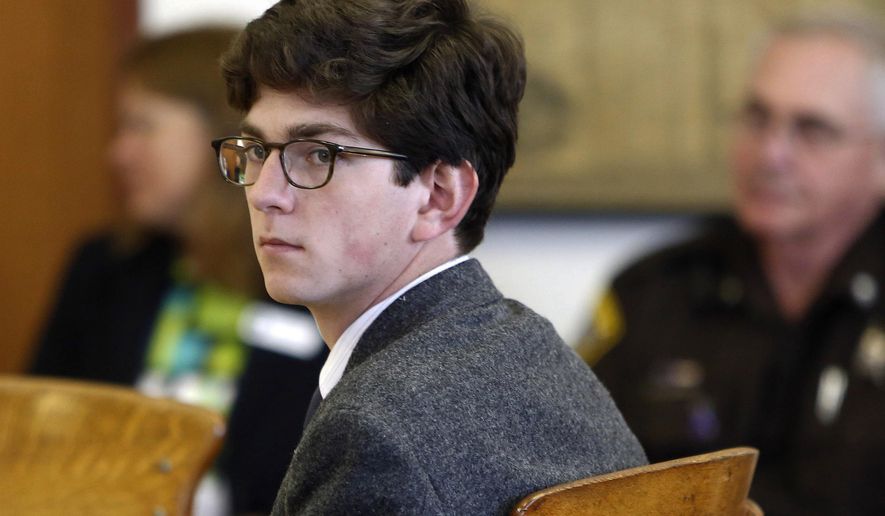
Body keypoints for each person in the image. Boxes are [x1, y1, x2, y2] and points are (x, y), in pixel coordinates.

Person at [212, 0, 647, 513]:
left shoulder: (372, 431)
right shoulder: (536, 355)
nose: (265, 193)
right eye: (258, 149)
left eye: (319, 155)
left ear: (439, 195)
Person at [577, 10, 885, 515]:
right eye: (757, 117)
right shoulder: (653, 290)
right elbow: (575, 476)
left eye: (813, 129)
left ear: (879, 158)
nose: (770, 153)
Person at [29, 27, 326, 515]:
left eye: (141, 126)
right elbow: (38, 440)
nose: (118, 153)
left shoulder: (307, 281)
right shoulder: (104, 269)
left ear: (220, 130)